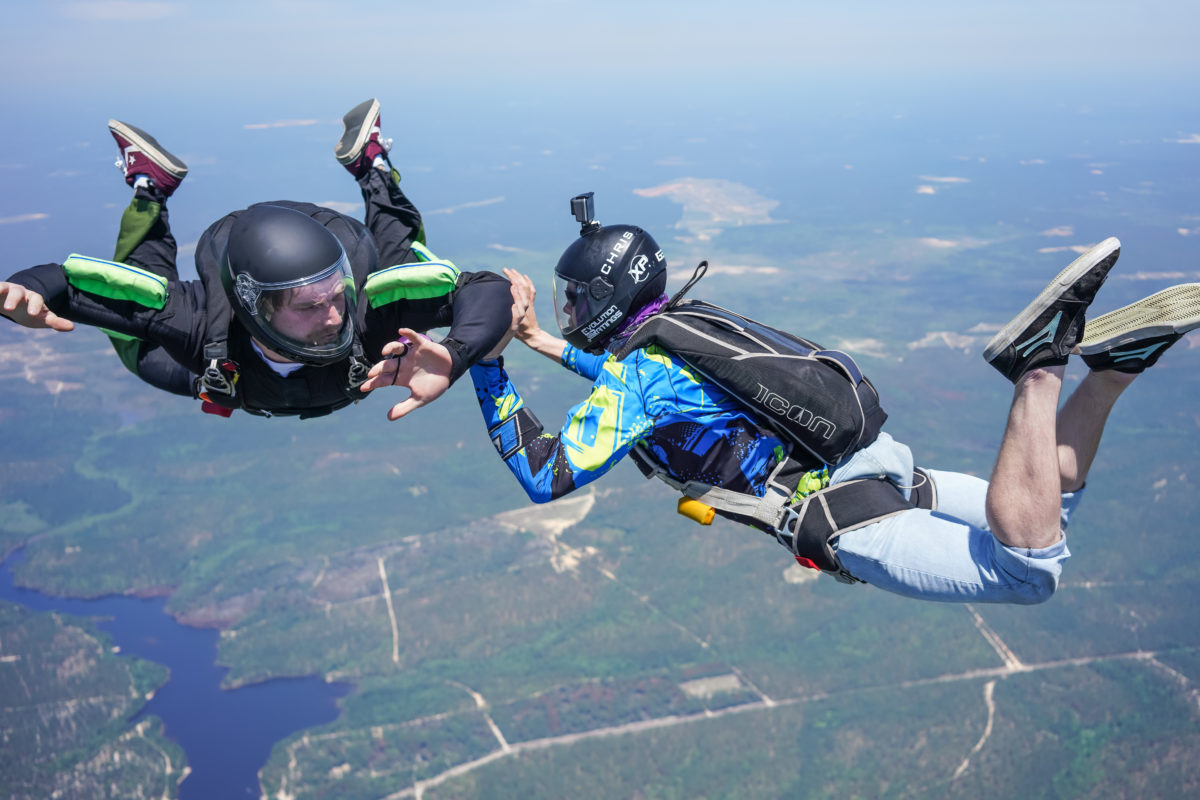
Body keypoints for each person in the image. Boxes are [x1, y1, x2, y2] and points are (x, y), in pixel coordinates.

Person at [365, 193, 1200, 604]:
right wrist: (542, 343)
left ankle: (1041, 368)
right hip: (877, 465)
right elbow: (663, 402)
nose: (570, 313)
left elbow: (545, 476)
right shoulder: (678, 331)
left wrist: (485, 365)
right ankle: (1115, 371)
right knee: (1049, 516)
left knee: (1029, 572)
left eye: (575, 303)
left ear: (609, 301)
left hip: (842, 509)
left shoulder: (642, 372)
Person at [0, 99, 518, 419]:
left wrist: (455, 353)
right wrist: (26, 290)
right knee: (138, 333)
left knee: (400, 261)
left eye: (335, 298)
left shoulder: (368, 312)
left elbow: (486, 288)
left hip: (324, 323)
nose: (334, 315)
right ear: (257, 307)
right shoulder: (200, 324)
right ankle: (148, 188)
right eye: (310, 306)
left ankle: (373, 167)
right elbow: (79, 284)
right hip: (226, 371)